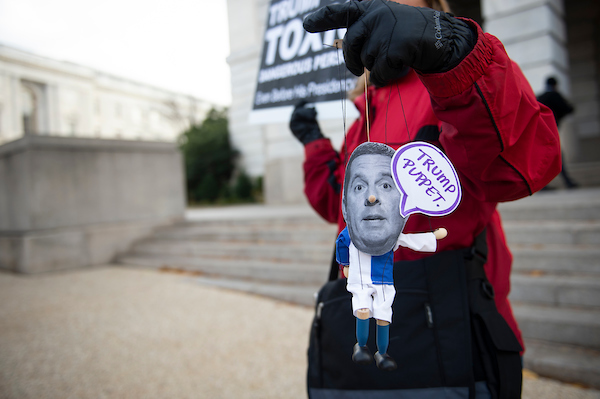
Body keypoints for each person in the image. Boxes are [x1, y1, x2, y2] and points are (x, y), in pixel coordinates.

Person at [290, 0, 561, 397]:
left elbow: (527, 162)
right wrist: (315, 145)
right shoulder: (367, 103)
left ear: (431, 6)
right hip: (370, 321)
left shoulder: (456, 77)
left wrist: (455, 52)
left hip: (451, 325)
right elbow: (339, 207)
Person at [335, 141, 446, 371]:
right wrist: (344, 264)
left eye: (386, 185)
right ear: (345, 207)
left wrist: (433, 234)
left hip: (385, 283)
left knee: (384, 317)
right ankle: (362, 346)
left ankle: (382, 353)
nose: (372, 198)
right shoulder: (350, 234)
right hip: (360, 280)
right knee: (363, 310)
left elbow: (413, 241)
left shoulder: (393, 236)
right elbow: (342, 244)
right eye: (358, 187)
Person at [537, 76, 578, 188]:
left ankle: (543, 185)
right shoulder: (555, 95)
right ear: (555, 85)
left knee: (547, 156)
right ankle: (567, 182)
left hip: (541, 131)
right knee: (557, 155)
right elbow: (567, 109)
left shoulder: (541, 96)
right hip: (552, 130)